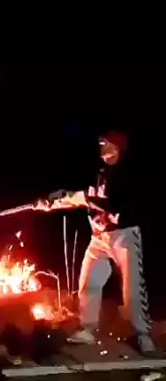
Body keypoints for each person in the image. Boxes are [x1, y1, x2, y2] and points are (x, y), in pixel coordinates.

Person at [35, 131, 157, 354]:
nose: (101, 147)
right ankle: (88, 329)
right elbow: (86, 197)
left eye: (105, 143)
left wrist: (77, 199)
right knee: (89, 281)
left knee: (132, 288)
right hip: (99, 237)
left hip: (124, 235)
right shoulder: (100, 173)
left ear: (117, 148)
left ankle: (143, 335)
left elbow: (109, 203)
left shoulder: (128, 174)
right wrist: (55, 201)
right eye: (100, 143)